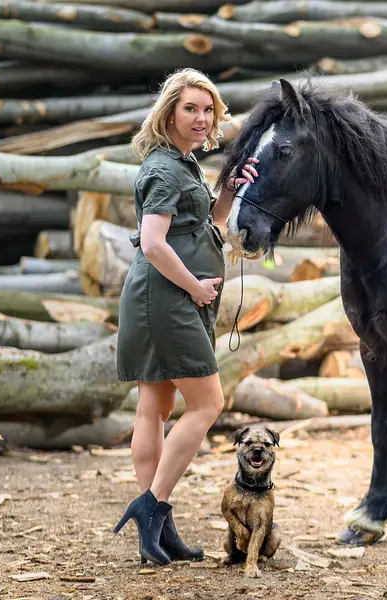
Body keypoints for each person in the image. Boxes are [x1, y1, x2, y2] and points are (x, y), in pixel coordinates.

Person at [112, 68, 259, 566]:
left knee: (154, 408)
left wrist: (230, 191)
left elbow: (205, 228)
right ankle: (151, 507)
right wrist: (195, 286)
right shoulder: (163, 169)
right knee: (207, 403)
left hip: (171, 299)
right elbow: (153, 243)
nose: (201, 118)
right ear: (169, 112)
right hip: (169, 298)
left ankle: (159, 525)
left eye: (208, 109)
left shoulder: (185, 164)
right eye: (190, 109)